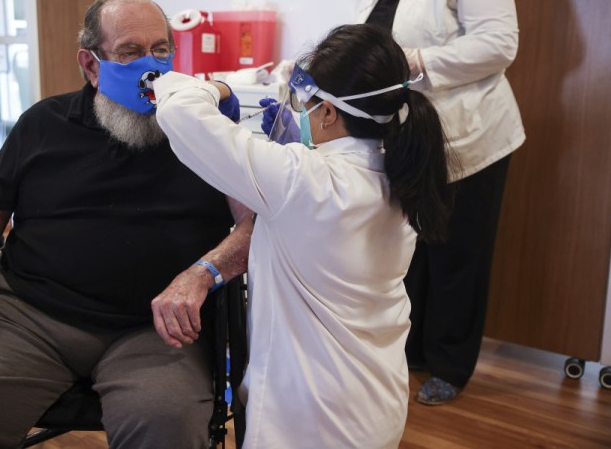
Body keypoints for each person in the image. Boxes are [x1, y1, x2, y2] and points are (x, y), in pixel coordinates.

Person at [0, 0, 253, 449]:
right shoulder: (43, 124)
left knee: (166, 426)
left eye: (161, 50)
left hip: (156, 329)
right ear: (91, 65)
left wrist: (203, 273)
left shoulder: (204, 131)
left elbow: (256, 226)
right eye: (130, 52)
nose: (150, 65)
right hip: (29, 317)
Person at [152, 23, 454, 448]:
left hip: (308, 419)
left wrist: (214, 86)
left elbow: (180, 115)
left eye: (305, 103)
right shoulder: (402, 175)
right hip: (375, 404)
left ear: (329, 112)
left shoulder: (302, 180)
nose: (301, 112)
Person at [354, 0, 525, 405]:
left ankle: (450, 363)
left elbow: (498, 44)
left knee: (457, 253)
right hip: (408, 134)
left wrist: (417, 61)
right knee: (411, 249)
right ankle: (412, 352)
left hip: (469, 131)